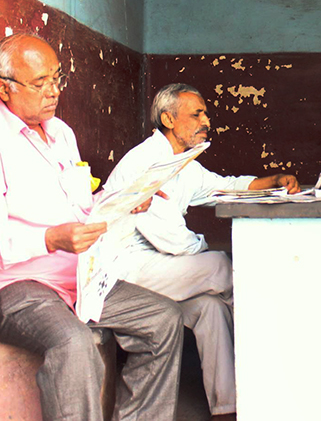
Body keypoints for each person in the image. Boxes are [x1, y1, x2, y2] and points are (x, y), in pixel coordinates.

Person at [0, 33, 184, 421]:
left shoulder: (61, 133)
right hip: (10, 287)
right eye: (40, 83)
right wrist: (50, 239)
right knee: (74, 343)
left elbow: (82, 210)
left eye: (57, 78)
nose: (53, 91)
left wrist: (125, 203)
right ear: (4, 88)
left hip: (78, 279)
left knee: (163, 319)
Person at [103, 83, 300, 420]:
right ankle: (278, 343)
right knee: (219, 266)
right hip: (124, 271)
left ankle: (227, 409)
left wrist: (274, 180)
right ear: (168, 119)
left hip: (157, 268)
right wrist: (205, 251)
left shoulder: (183, 163)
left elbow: (225, 186)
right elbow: (172, 240)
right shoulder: (146, 162)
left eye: (205, 114)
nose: (206, 121)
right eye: (196, 114)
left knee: (210, 309)